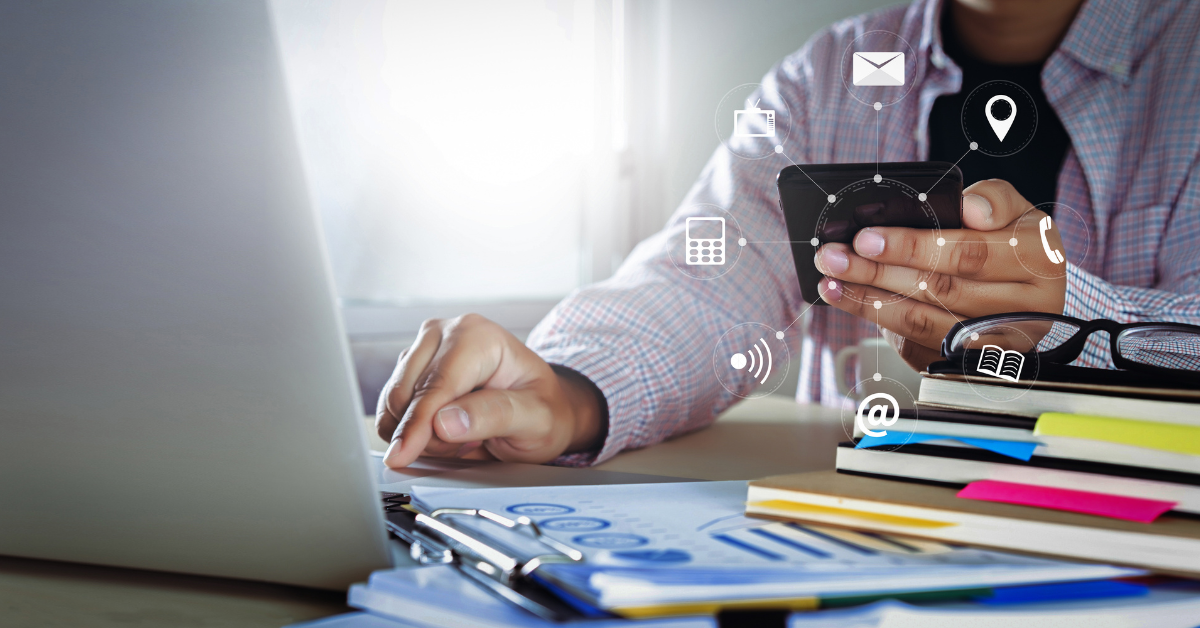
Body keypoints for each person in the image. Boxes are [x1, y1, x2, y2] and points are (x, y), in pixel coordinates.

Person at [376, 0, 1200, 469]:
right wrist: (571, 388)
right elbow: (709, 281)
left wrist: (1078, 321)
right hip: (857, 531)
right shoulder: (825, 76)